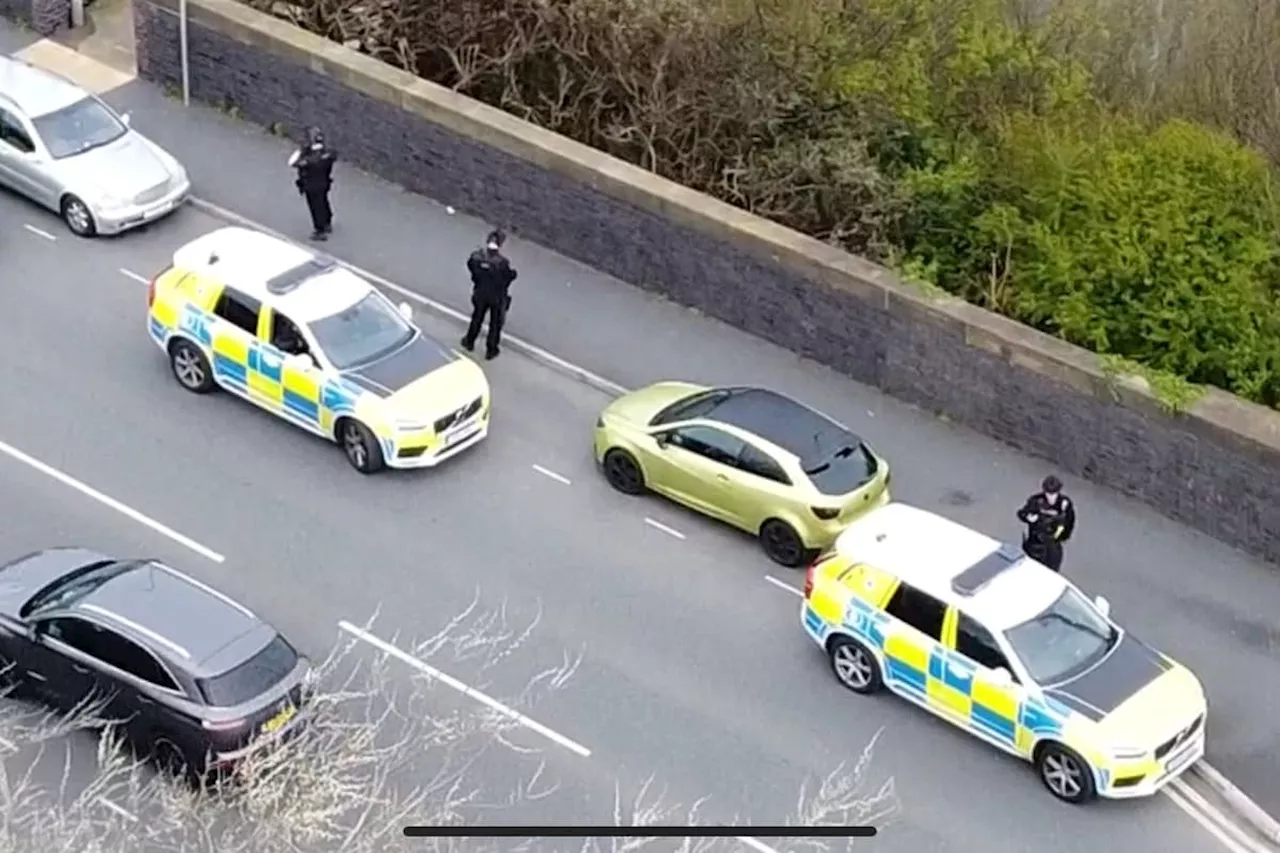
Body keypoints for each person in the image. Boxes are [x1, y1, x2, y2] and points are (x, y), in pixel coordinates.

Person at [461, 229, 518, 360]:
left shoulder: (476, 257)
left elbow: (471, 267)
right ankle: (491, 349)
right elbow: (508, 277)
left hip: (480, 293)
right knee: (495, 324)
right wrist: (513, 274)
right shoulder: (502, 263)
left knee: (477, 318)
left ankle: (469, 341)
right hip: (497, 297)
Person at [1016, 475, 1076, 572]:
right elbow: (1021, 513)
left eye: (1053, 494)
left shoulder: (1064, 504)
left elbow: (1070, 522)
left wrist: (1062, 537)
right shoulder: (1036, 501)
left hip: (1052, 546)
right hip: (1034, 545)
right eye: (1048, 493)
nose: (1050, 497)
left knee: (1051, 572)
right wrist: (1028, 518)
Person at [288, 127, 337, 241]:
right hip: (324, 182)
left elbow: (293, 163)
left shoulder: (307, 158)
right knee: (323, 202)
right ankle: (327, 222)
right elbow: (332, 156)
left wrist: (302, 151)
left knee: (315, 207)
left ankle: (320, 230)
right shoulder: (327, 153)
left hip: (311, 184)